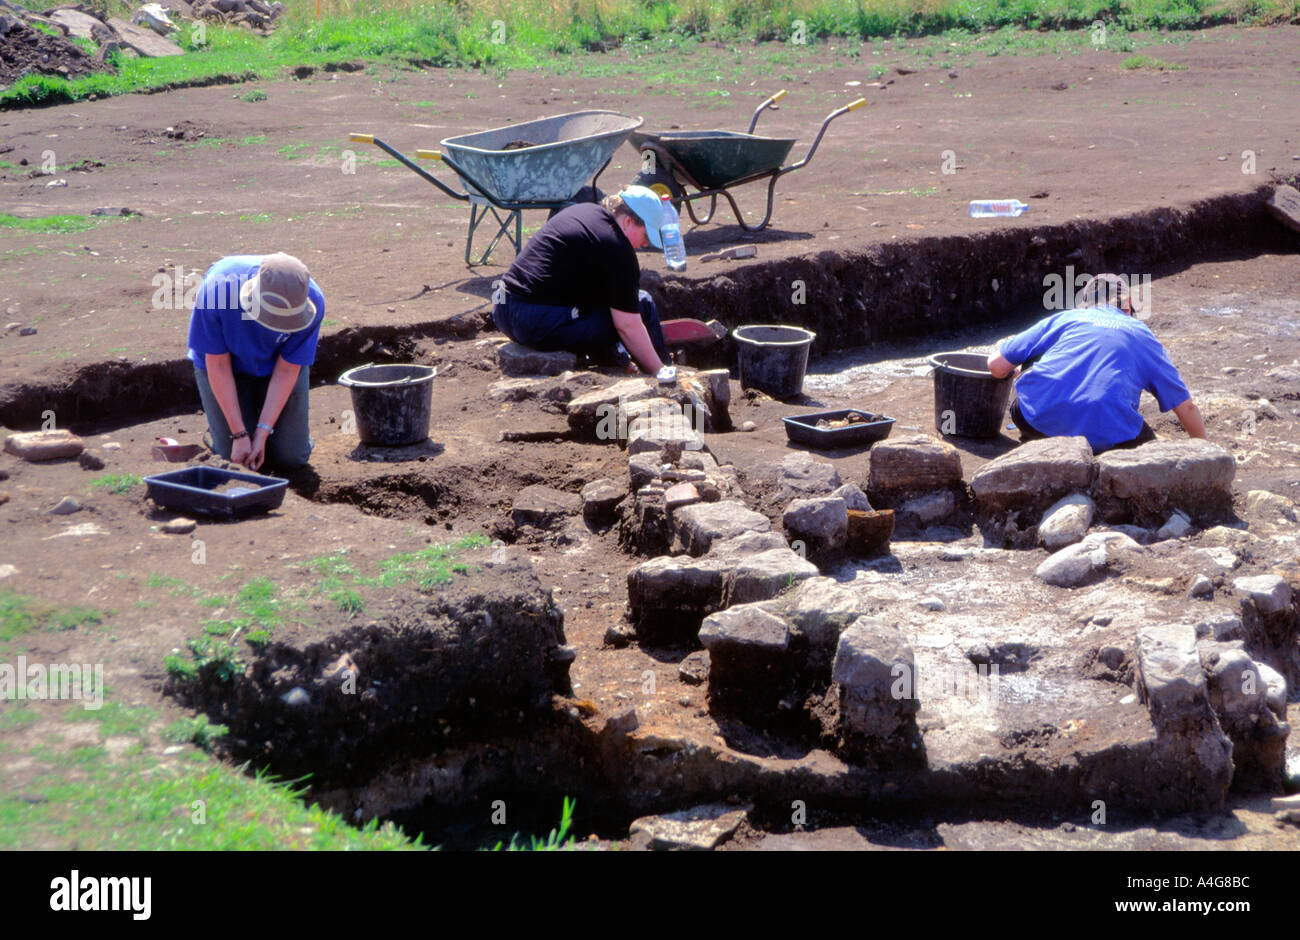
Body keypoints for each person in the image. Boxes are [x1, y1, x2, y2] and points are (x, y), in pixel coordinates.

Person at [986, 274, 1206, 453]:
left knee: (1035, 352)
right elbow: (1186, 407)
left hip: (1035, 421)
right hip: (1106, 438)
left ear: (1086, 305)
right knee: (1145, 444)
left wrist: (1018, 372)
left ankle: (1038, 442)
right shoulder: (1142, 335)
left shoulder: (1066, 318)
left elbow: (996, 366)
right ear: (1128, 306)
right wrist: (1205, 454)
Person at [493, 186, 671, 375]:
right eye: (645, 235)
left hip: (503, 310)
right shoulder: (617, 247)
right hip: (533, 321)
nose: (645, 244)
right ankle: (663, 371)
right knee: (640, 306)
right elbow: (627, 326)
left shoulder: (584, 212)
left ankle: (619, 360)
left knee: (621, 303)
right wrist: (658, 370)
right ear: (628, 221)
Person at [187, 252, 325, 472]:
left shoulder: (314, 303)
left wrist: (262, 432)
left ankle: (278, 436)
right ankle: (219, 432)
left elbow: (287, 369)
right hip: (226, 366)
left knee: (291, 458)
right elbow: (218, 365)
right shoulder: (218, 291)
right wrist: (239, 434)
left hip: (276, 367)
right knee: (232, 456)